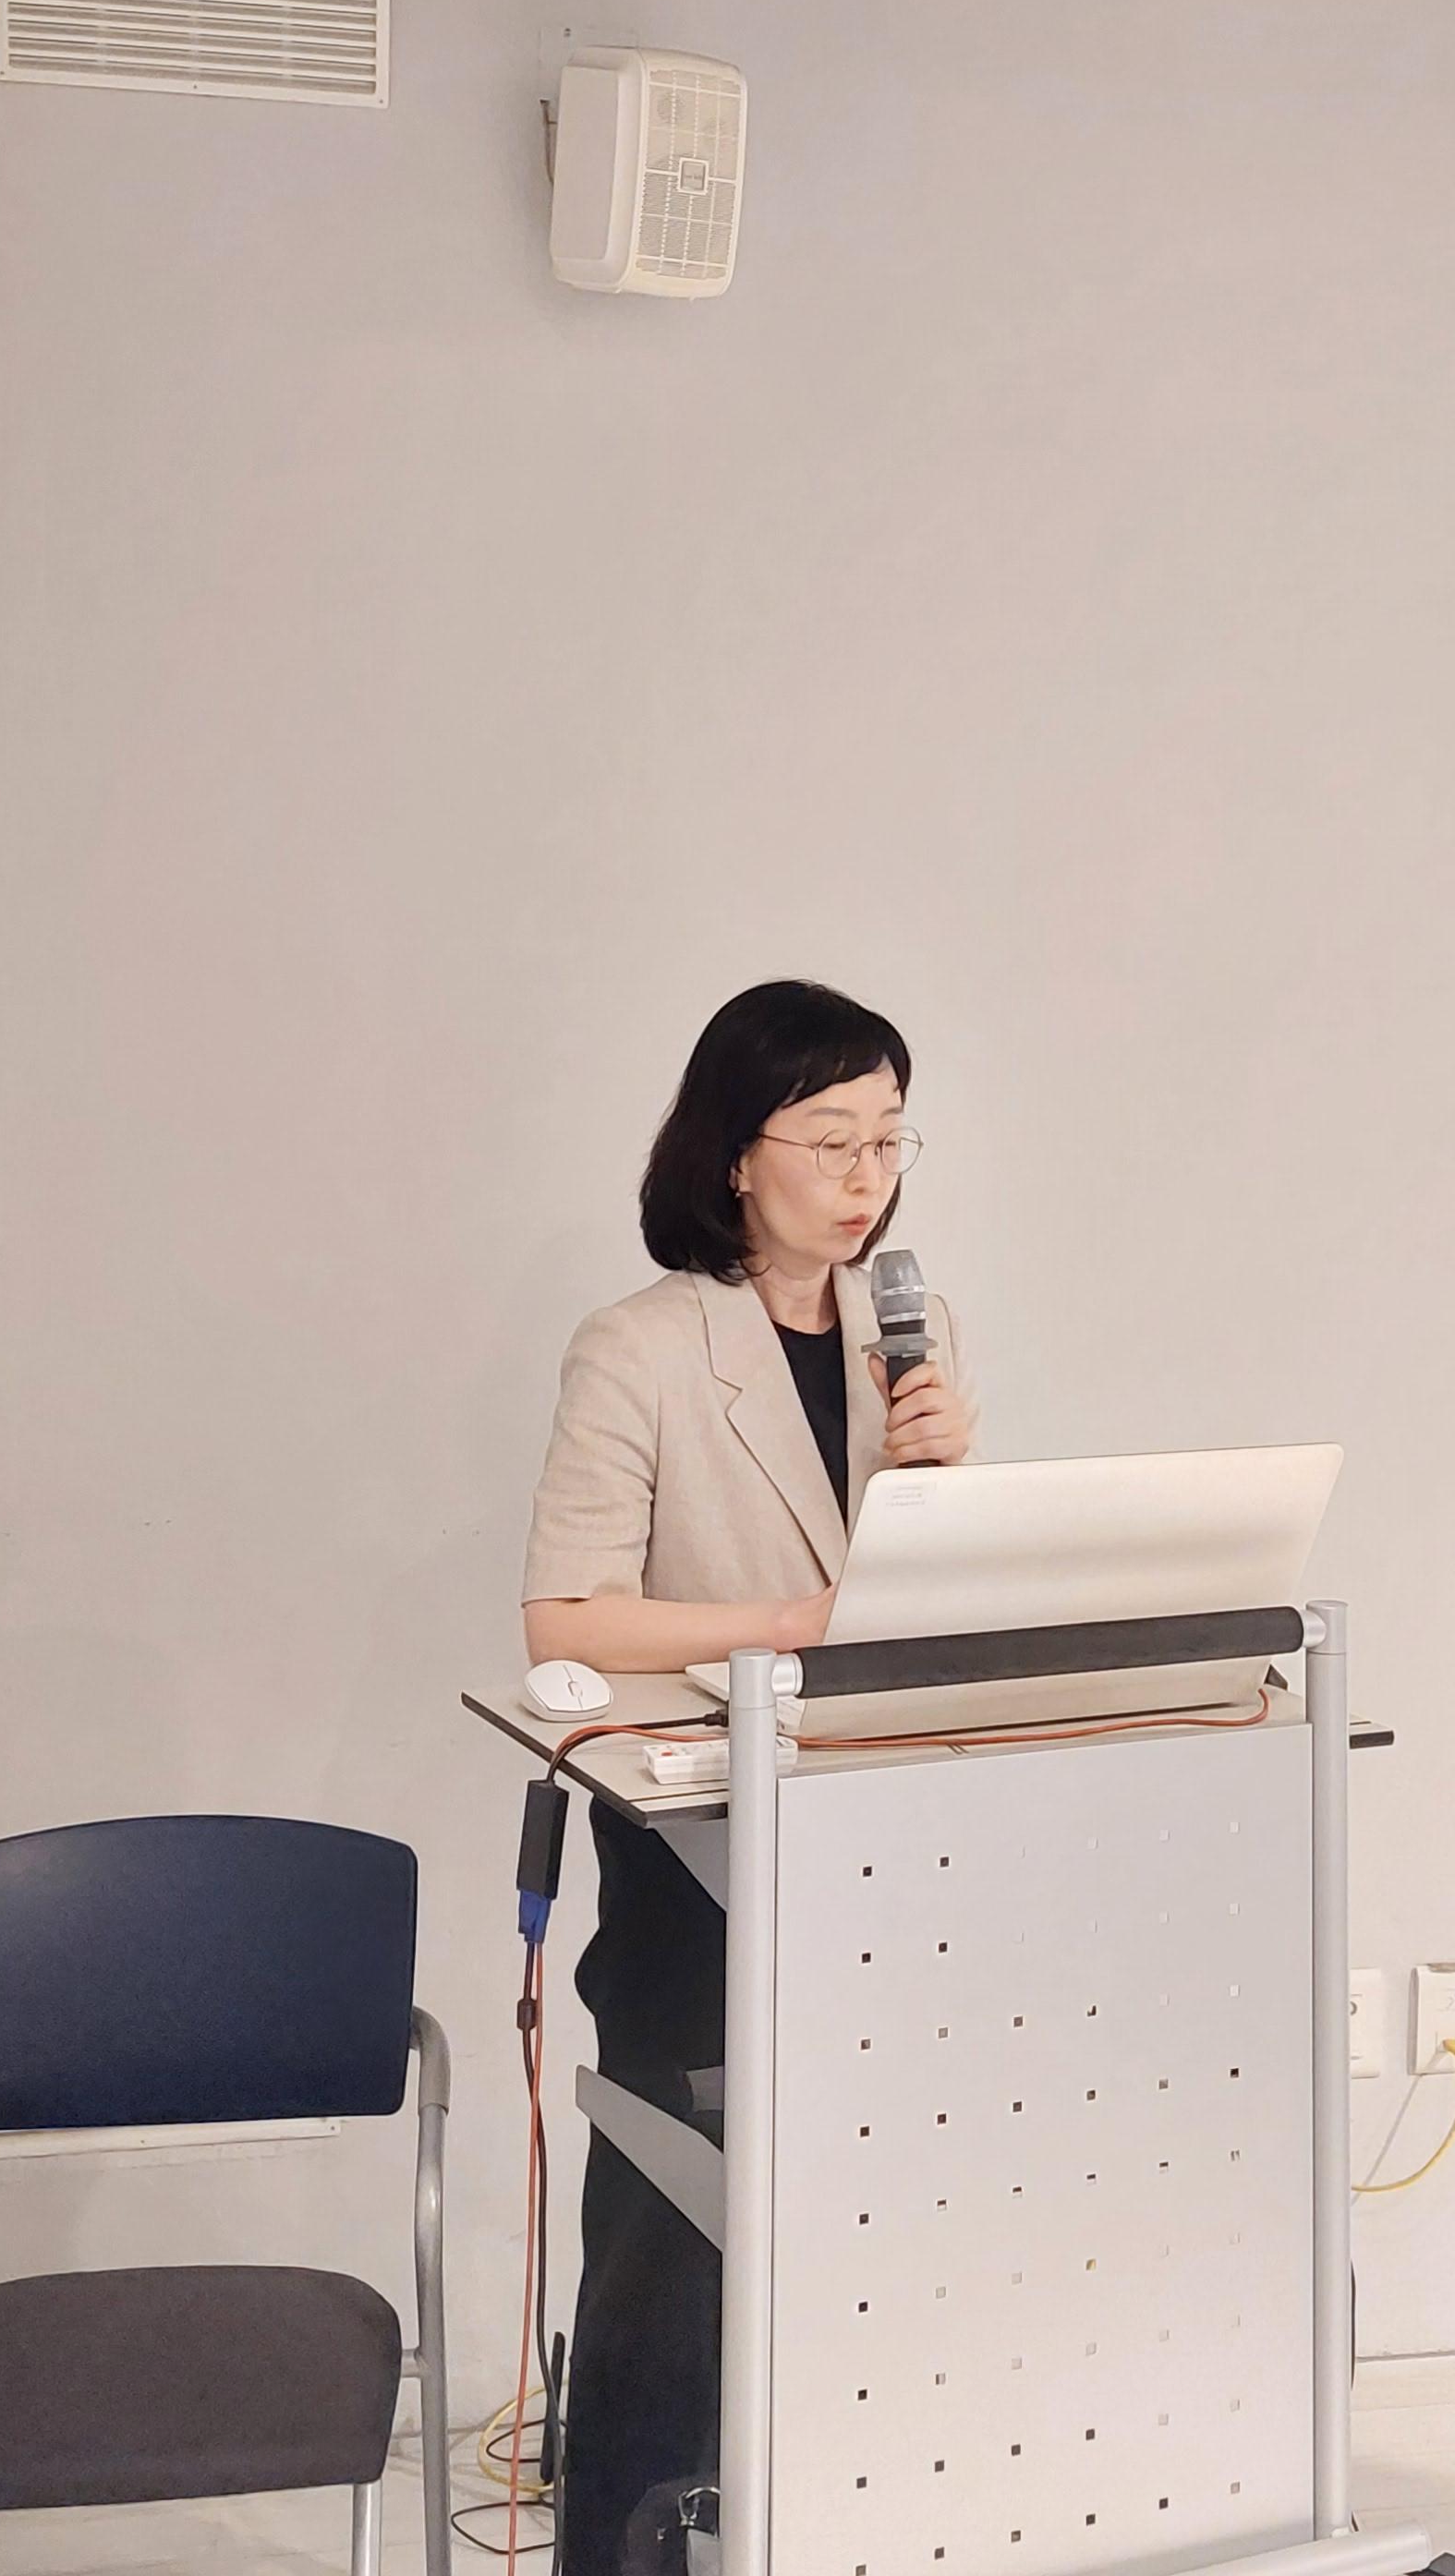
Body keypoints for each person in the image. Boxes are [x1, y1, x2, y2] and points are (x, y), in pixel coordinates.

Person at [522, 979, 973, 2576]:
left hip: (879, 1834)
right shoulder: (640, 1349)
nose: (867, 1177)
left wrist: (947, 1496)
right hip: (696, 1848)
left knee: (864, 2218)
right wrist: (792, 1623)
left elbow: (916, 1607)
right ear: (735, 1154)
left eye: (890, 1140)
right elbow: (568, 1617)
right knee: (675, 2226)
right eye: (832, 1138)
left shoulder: (906, 1340)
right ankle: (627, 2543)